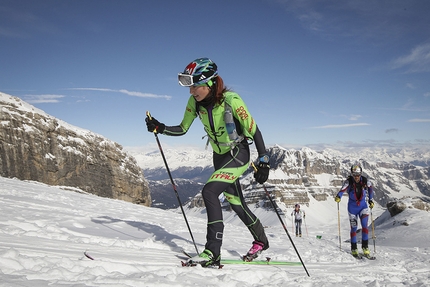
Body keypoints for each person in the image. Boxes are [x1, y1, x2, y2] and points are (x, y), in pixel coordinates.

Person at [145, 57, 270, 267]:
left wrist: (264, 160)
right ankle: (261, 240)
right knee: (236, 204)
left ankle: (212, 252)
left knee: (209, 192)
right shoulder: (194, 103)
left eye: (195, 86)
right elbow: (182, 128)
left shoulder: (231, 100)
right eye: (190, 87)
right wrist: (161, 127)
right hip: (219, 157)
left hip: (237, 154)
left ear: (210, 83)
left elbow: (254, 130)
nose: (192, 91)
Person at [335, 163, 374, 257]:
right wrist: (338, 197)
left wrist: (371, 200)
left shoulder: (365, 180)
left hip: (363, 207)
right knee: (354, 228)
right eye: (354, 175)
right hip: (352, 208)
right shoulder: (348, 182)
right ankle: (354, 248)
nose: (356, 177)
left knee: (365, 227)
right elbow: (342, 190)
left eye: (358, 175)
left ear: (361, 174)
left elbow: (370, 189)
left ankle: (365, 247)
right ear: (352, 174)